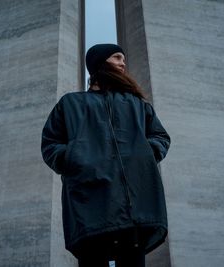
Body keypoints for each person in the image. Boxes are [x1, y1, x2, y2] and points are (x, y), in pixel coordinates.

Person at [41, 43, 170, 267]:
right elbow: (50, 144)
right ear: (101, 63)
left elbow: (160, 137)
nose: (123, 63)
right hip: (89, 206)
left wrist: (143, 154)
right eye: (117, 57)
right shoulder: (71, 103)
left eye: (123, 58)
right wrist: (75, 159)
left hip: (135, 212)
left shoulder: (137, 104)